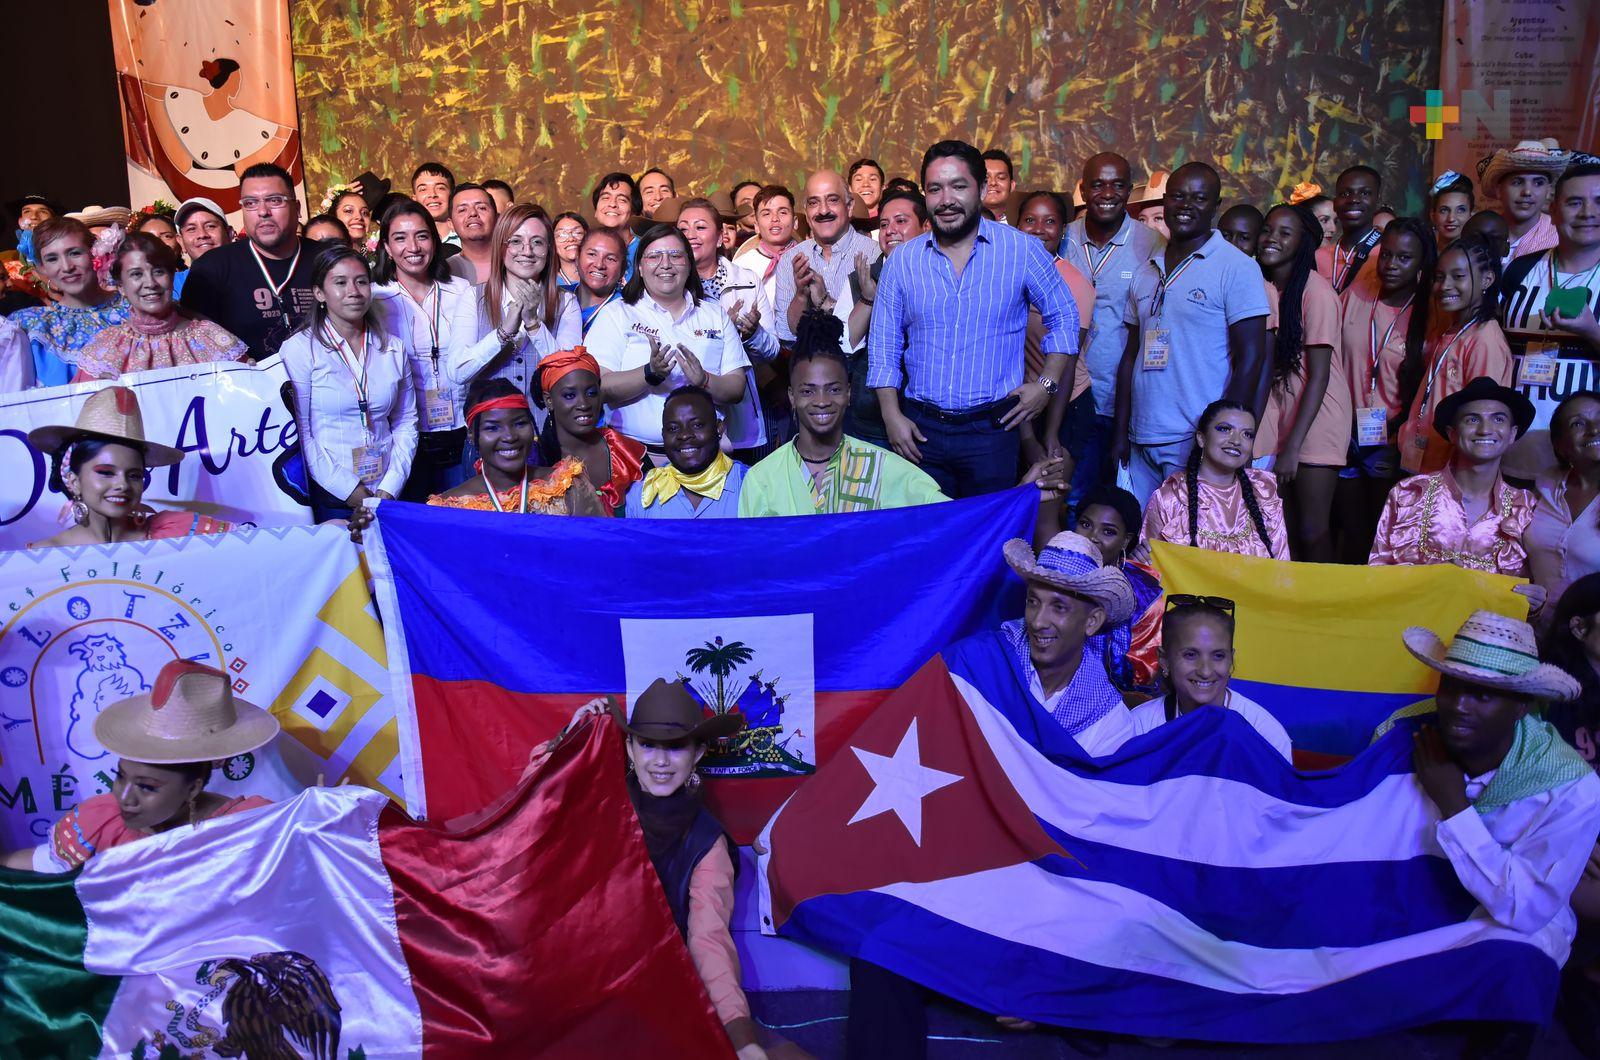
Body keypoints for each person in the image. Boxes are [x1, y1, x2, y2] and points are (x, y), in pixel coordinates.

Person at [846, 530, 1137, 1059]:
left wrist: (1047, 971)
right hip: (970, 878)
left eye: (1059, 607)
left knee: (1102, 973)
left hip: (1054, 901)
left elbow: (1098, 856)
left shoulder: (1111, 725)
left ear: (1092, 621)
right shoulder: (982, 667)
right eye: (1032, 601)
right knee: (881, 948)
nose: (1040, 621)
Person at [1401, 609, 1600, 1003]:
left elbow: (1526, 908)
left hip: (1500, 921)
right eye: (1451, 686)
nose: (1459, 706)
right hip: (1405, 899)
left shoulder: (1571, 788)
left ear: (1522, 705)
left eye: (1483, 694)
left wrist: (1455, 808)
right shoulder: (1402, 735)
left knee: (1522, 952)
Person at [868, 140, 1080, 499]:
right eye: (935, 188)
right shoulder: (903, 261)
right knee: (928, 541)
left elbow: (1066, 317)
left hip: (993, 431)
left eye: (959, 186)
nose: (946, 199)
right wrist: (891, 415)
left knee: (987, 540)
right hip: (920, 431)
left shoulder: (1021, 250)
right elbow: (884, 344)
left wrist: (1045, 386)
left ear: (981, 189)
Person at [0, 659, 278, 872]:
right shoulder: (103, 822)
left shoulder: (248, 829)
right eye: (120, 777)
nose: (124, 797)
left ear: (193, 788)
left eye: (146, 787)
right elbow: (34, 872)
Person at [1110, 161, 1271, 505]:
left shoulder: (1237, 268)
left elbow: (1252, 358)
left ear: (1215, 206)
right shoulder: (1146, 269)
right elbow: (1131, 356)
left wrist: (1223, 434)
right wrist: (1120, 431)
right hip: (1140, 439)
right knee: (1142, 546)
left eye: (1199, 198)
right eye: (1178, 196)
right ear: (1164, 202)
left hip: (1194, 441)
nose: (1186, 205)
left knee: (1187, 547)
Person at [741, 311, 945, 515]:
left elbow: (952, 516)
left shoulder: (880, 467)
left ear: (849, 393)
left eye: (834, 389)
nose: (821, 401)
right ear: (792, 396)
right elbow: (751, 545)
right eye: (807, 391)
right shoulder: (762, 479)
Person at [1371, 378, 1542, 603]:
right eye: (1472, 419)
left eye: (1498, 419)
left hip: (1488, 633)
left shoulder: (1526, 507)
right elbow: (1377, 575)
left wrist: (1535, 603)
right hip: (1410, 628)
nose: (1485, 429)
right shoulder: (1409, 493)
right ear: (1452, 434)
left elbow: (1528, 589)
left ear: (1511, 434)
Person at [281, 244, 418, 520]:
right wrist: (350, 491)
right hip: (333, 493)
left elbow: (405, 421)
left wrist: (390, 487)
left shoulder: (392, 347)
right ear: (319, 293)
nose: (354, 292)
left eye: (361, 282)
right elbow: (302, 433)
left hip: (388, 491)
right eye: (340, 283)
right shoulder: (299, 349)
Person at [588, 224, 750, 453]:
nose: (665, 264)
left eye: (675, 255)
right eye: (654, 256)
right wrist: (648, 374)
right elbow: (597, 387)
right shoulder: (617, 314)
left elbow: (736, 388)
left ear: (688, 265)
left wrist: (704, 380)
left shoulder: (714, 314)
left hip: (707, 454)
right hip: (635, 457)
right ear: (640, 267)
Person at [1061, 153, 1166, 506]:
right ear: (1083, 189)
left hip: (1122, 399)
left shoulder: (1151, 243)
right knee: (1071, 499)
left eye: (1118, 185)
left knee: (1118, 504)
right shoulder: (1063, 237)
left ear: (1129, 191)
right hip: (1069, 396)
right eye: (1098, 184)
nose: (1108, 193)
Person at [1335, 217, 1436, 561]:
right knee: (1350, 530)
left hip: (1391, 440)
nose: (1392, 265)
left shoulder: (1432, 312)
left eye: (1404, 258)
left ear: (1422, 262)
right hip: (1345, 433)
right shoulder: (1360, 293)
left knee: (1382, 533)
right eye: (1387, 255)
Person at [23, 385, 231, 548]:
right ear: (74, 481)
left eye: (134, 475)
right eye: (106, 472)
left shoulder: (182, 532)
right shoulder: (44, 558)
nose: (122, 484)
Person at [370, 199, 480, 501]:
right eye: (400, 238)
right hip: (406, 439)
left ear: (434, 239)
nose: (413, 247)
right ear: (387, 248)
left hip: (463, 429)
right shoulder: (373, 299)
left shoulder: (461, 291)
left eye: (421, 235)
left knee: (465, 519)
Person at [1254, 202, 1345, 561]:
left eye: (1284, 233)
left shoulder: (1316, 291)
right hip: (1282, 417)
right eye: (1267, 230)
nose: (1271, 239)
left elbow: (1319, 375)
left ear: (1303, 242)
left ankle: (1327, 608)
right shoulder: (1264, 285)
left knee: (1312, 528)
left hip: (1316, 420)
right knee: (1285, 529)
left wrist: (1294, 446)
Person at [1500, 161, 1600, 482]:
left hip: (1589, 469)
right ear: (1553, 211)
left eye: (1599, 202)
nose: (1587, 212)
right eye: (1575, 202)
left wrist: (1591, 333)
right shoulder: (1517, 271)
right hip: (1511, 459)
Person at [1396, 233, 1513, 474]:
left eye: (1458, 276)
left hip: (1452, 472)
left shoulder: (1484, 339)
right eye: (1439, 277)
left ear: (1487, 280)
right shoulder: (1454, 329)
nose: (1444, 286)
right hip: (1425, 462)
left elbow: (1483, 418)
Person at [1127, 596, 1293, 761]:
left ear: (1231, 659)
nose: (1205, 671)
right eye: (1190, 655)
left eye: (1218, 656)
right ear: (1164, 660)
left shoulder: (1264, 732)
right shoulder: (1139, 726)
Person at [180, 162, 316, 361]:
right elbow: (195, 345)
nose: (262, 211)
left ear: (296, 208)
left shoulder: (328, 259)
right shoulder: (211, 268)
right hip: (246, 386)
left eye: (275, 200)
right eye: (250, 203)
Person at [74, 232, 247, 381]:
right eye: (136, 274)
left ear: (172, 277)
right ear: (121, 286)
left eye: (158, 271)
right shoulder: (104, 349)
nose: (150, 283)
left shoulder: (212, 339)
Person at [1015, 190, 1096, 504]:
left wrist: (1049, 433)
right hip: (1021, 402)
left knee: (1050, 502)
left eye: (1050, 222)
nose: (1039, 228)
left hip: (1063, 404)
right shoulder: (1005, 274)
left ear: (1063, 230)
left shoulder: (1073, 282)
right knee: (1018, 499)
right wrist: (1025, 435)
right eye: (1030, 220)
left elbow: (1068, 362)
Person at [457, 203, 582, 403]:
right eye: (515, 241)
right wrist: (503, 333)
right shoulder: (473, 297)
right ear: (501, 247)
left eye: (537, 242)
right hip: (491, 427)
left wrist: (534, 325)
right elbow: (458, 373)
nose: (527, 251)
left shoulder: (566, 302)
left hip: (547, 428)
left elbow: (569, 376)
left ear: (549, 250)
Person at [429, 377, 604, 515]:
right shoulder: (451, 507)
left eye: (520, 424)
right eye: (492, 428)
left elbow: (597, 551)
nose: (510, 436)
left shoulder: (567, 487)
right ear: (473, 436)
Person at [1145, 399, 1288, 559]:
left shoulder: (1263, 494)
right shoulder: (1170, 499)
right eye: (1225, 429)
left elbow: (1281, 570)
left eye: (1247, 434)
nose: (1236, 441)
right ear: (1201, 439)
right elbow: (1150, 573)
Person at [844, 186, 927, 446]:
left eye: (901, 221)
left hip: (928, 412)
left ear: (926, 227)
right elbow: (845, 341)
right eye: (884, 224)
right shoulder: (862, 276)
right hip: (871, 417)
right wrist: (870, 298)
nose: (890, 230)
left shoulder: (942, 275)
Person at [10, 218, 130, 386]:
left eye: (74, 253)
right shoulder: (31, 325)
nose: (66, 267)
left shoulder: (133, 310)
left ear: (95, 252)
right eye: (52, 259)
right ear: (42, 268)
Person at [774, 169, 881, 357]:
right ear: (806, 212)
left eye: (832, 200)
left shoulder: (874, 254)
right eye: (814, 203)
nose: (823, 211)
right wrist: (801, 296)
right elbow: (787, 336)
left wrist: (826, 302)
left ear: (849, 206)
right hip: (809, 376)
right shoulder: (791, 260)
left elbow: (877, 332)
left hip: (861, 376)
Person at [1071, 483, 1163, 695]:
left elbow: (1144, 673)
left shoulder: (1143, 594)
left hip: (1116, 699)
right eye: (1085, 524)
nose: (1092, 537)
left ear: (1126, 540)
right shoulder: (1053, 570)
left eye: (1108, 532)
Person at [536, 346, 646, 515]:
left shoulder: (624, 452)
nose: (583, 404)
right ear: (549, 400)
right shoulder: (537, 456)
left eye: (591, 393)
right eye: (569, 395)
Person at [1526, 392, 1600, 613]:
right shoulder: (1546, 484)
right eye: (1577, 423)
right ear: (1560, 446)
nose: (1594, 429)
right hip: (1533, 633)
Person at [623, 386, 746, 519]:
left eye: (697, 425)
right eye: (673, 428)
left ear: (719, 429)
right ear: (663, 435)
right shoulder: (642, 493)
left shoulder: (749, 484)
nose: (685, 435)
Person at [1481, 139, 1571, 266]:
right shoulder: (1482, 234)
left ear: (1548, 190)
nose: (1527, 192)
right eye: (1517, 182)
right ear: (1499, 190)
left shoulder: (1561, 239)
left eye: (1538, 183)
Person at [730, 184, 798, 311]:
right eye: (766, 214)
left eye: (783, 212)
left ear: (795, 222)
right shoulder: (742, 265)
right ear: (756, 225)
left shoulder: (811, 258)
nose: (775, 219)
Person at [574, 227, 627, 336]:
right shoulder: (557, 297)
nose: (599, 265)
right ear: (577, 258)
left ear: (622, 269)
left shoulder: (628, 310)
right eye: (592, 254)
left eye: (610, 259)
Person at [443, 182, 499, 285]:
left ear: (497, 218)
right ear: (451, 224)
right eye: (462, 210)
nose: (473, 213)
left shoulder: (518, 263)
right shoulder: (443, 273)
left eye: (482, 208)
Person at [175, 197, 231, 264]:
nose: (202, 234)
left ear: (229, 234)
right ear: (181, 241)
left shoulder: (245, 272)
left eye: (210, 226)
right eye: (191, 229)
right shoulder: (170, 275)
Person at [411, 162, 457, 244]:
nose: (432, 194)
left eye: (440, 188)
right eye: (423, 189)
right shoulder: (408, 241)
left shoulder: (468, 237)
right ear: (414, 199)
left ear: (453, 194)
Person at [1430, 172, 1474, 250]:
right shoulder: (1422, 258)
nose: (1451, 219)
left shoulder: (1479, 260)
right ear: (1433, 215)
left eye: (1461, 210)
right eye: (1444, 210)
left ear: (1471, 215)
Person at [552, 211, 589, 292]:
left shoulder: (601, 279)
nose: (571, 239)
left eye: (577, 233)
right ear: (553, 242)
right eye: (562, 235)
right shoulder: (548, 282)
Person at [980, 149, 1016, 223]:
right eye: (986, 177)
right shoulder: (960, 223)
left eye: (1001, 177)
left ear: (1012, 186)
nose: (993, 183)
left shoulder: (1020, 224)